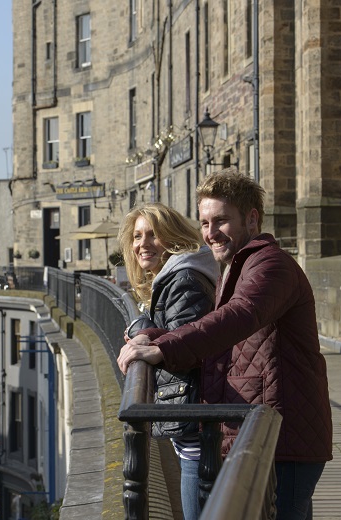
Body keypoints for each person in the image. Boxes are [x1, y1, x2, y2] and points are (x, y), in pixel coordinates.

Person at [117, 171, 333, 520]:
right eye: (204, 222)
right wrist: (157, 336)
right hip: (262, 431)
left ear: (251, 219)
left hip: (284, 437)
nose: (210, 232)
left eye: (221, 220)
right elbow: (219, 340)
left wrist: (166, 348)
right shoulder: (238, 267)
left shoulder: (271, 265)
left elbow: (241, 315)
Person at [117, 202, 219, 520]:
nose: (142, 244)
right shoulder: (175, 277)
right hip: (191, 420)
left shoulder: (184, 279)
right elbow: (180, 331)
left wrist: (148, 337)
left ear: (172, 238)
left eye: (152, 235)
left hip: (196, 425)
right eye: (136, 236)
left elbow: (185, 348)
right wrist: (148, 330)